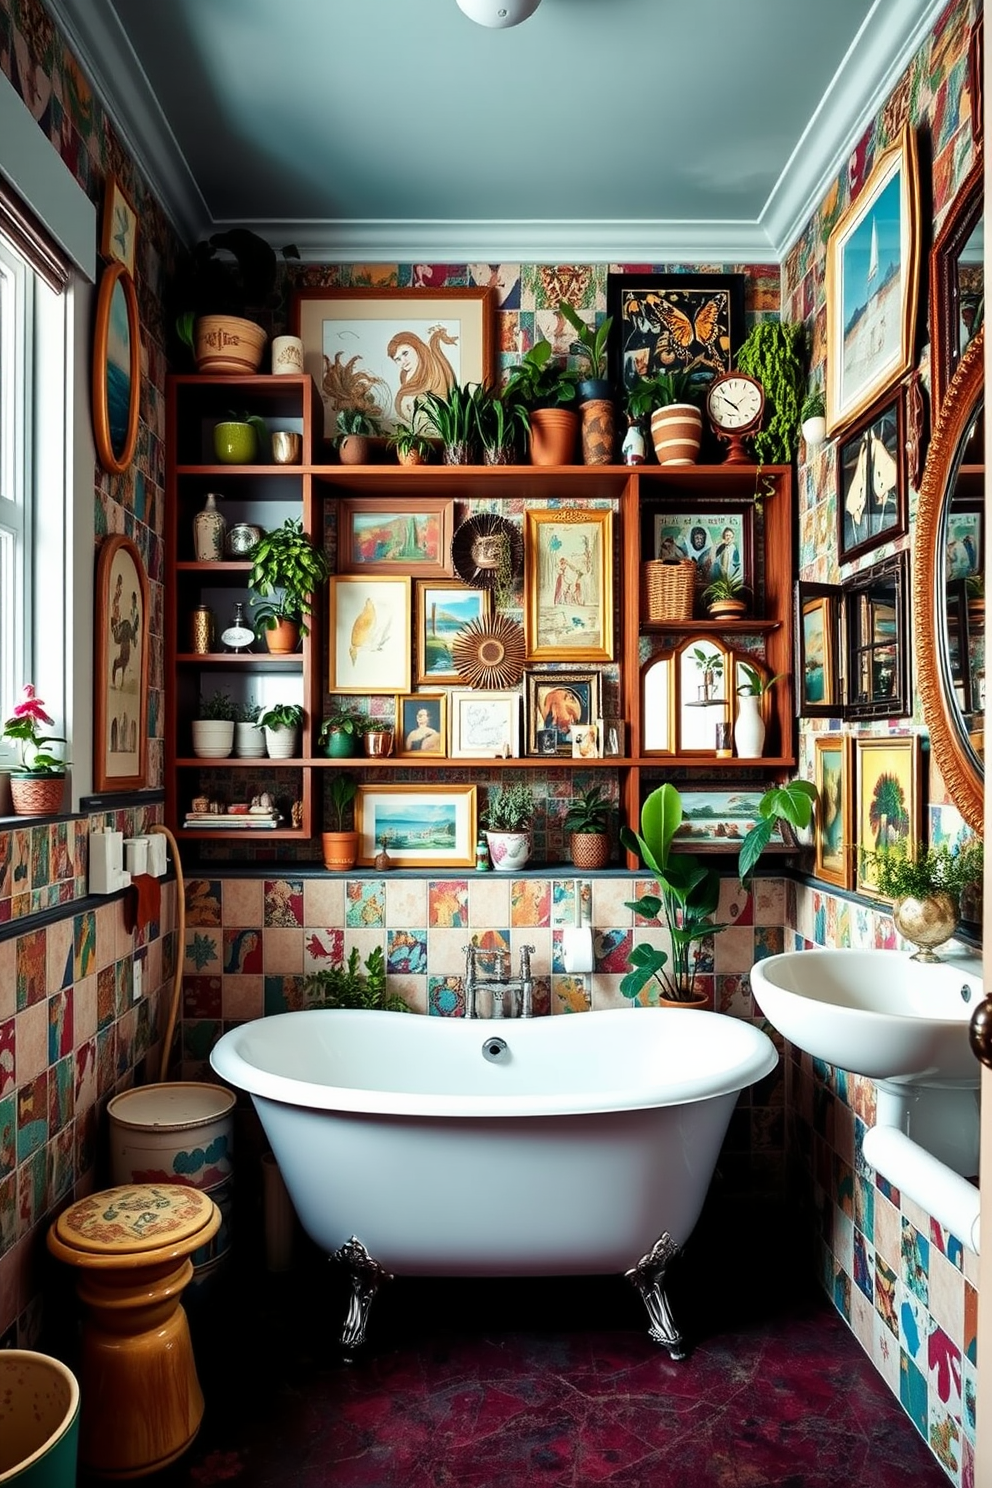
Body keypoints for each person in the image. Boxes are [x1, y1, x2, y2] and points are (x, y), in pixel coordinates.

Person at [387, 325, 458, 424]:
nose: (403, 361)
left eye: (405, 353)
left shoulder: (433, 369)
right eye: (398, 359)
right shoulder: (404, 375)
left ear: (415, 346)